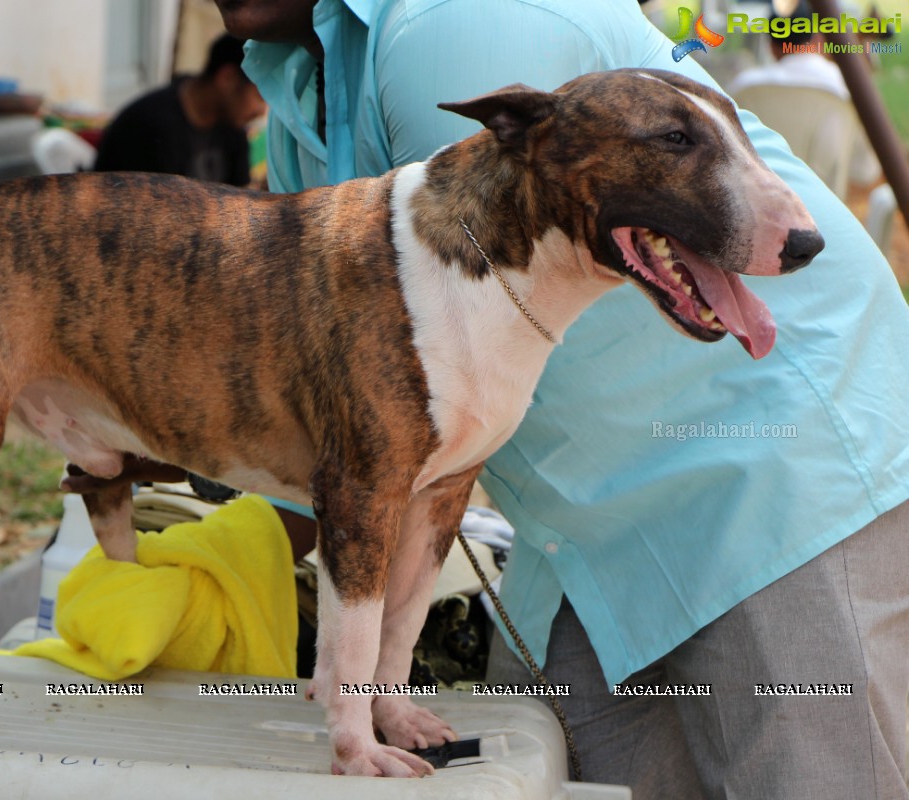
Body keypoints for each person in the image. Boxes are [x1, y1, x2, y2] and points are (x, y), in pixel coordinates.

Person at [212, 1, 909, 797]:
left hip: (769, 483)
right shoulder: (296, 81)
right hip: (578, 531)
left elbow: (406, 370)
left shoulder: (454, 29)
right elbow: (347, 398)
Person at [729, 1, 879, 186]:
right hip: (822, 212)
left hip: (752, 208)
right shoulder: (845, 89)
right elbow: (865, 171)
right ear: (818, 38)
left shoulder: (743, 88)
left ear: (772, 46)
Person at [93, 33, 266, 186]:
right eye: (260, 95)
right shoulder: (150, 125)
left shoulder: (232, 125)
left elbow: (240, 194)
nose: (262, 110)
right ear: (227, 78)